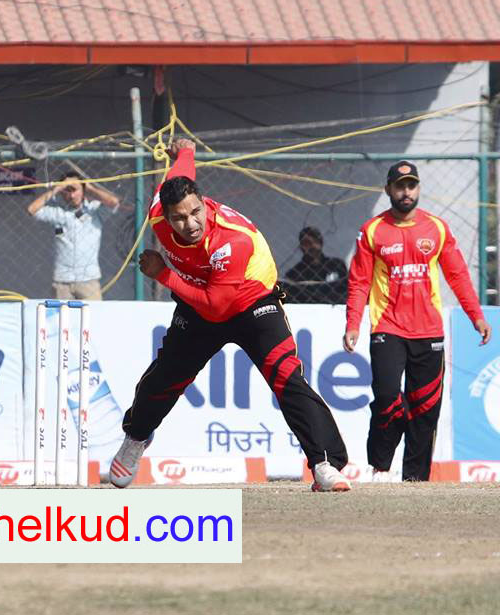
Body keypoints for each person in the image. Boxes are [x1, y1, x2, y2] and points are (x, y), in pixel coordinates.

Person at [109, 140, 350, 492]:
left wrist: (163, 274)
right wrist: (185, 152)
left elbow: (217, 307)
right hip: (198, 300)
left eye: (196, 212)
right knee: (164, 377)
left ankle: (325, 463)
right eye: (180, 218)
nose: (190, 223)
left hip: (250, 303)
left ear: (203, 203)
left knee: (286, 375)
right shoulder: (158, 213)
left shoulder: (231, 239)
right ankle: (136, 437)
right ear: (166, 214)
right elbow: (180, 173)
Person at [344, 160, 491, 482]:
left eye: (411, 185)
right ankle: (380, 467)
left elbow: (458, 276)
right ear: (388, 190)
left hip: (429, 331)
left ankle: (415, 479)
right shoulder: (372, 230)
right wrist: (353, 323)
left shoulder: (437, 228)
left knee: (425, 409)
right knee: (387, 398)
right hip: (388, 328)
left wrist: (476, 316)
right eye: (400, 186)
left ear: (418, 188)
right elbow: (359, 282)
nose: (406, 192)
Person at [27, 170, 120, 300]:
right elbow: (32, 209)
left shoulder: (94, 210)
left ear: (83, 190)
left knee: (92, 313)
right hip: (62, 281)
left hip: (89, 279)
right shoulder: (57, 213)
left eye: (75, 190)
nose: (72, 195)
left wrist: (89, 187)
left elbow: (114, 202)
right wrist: (56, 189)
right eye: (67, 190)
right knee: (62, 313)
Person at [283, 226, 348, 304]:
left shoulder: (337, 265)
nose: (312, 245)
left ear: (321, 242)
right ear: (301, 246)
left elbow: (347, 290)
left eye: (315, 241)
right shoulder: (294, 274)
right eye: (307, 243)